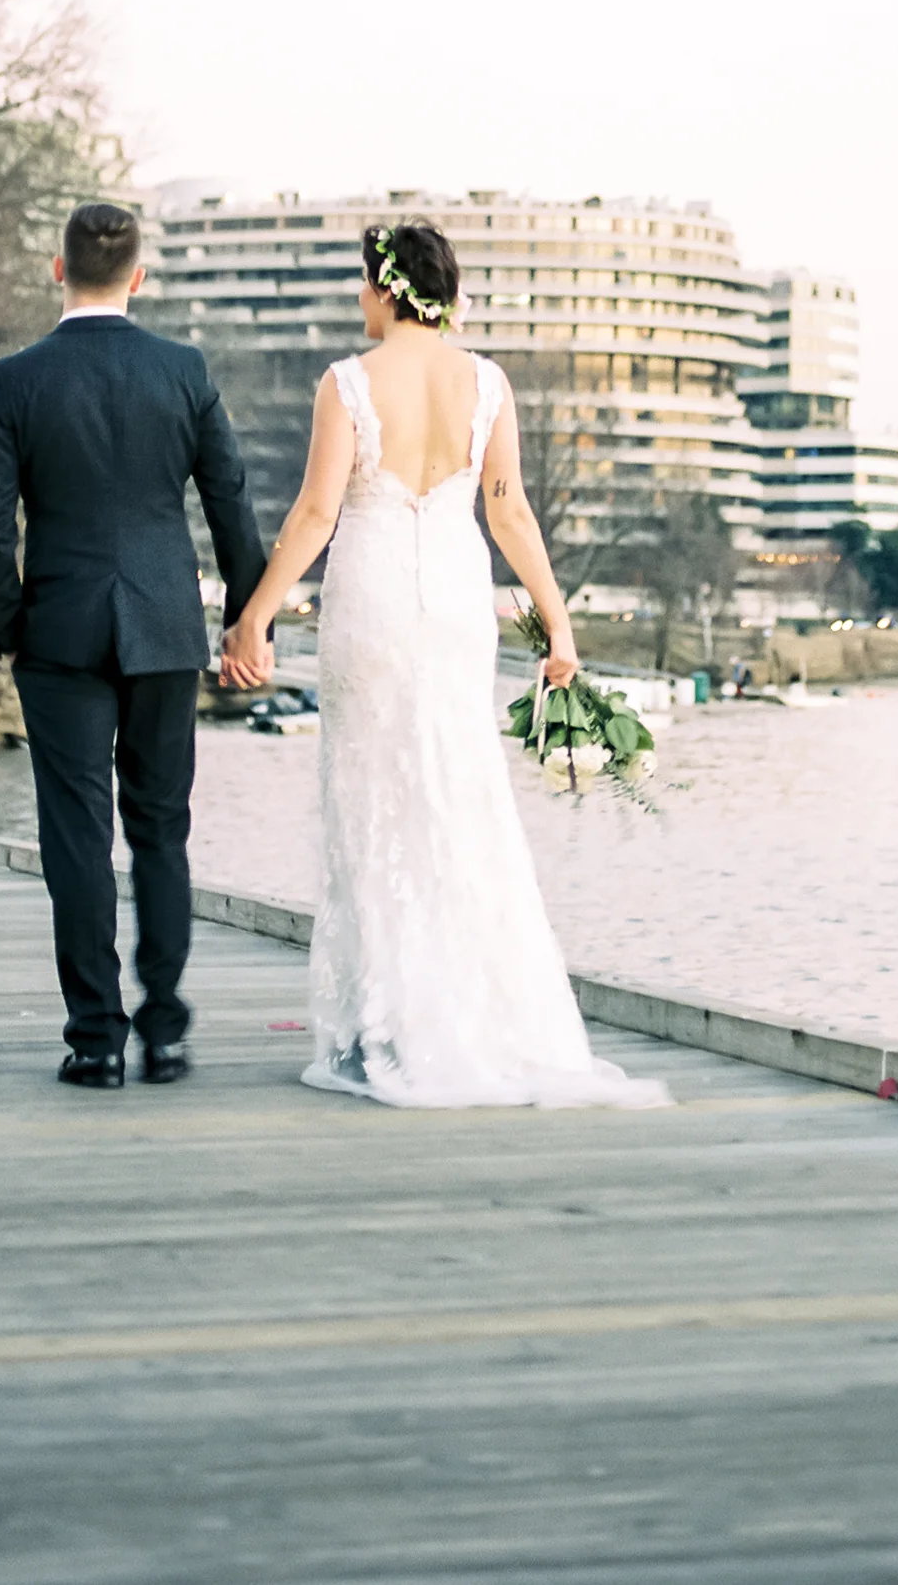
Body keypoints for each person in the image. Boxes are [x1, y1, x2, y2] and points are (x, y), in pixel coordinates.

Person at [223, 220, 668, 1111]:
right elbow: (509, 514)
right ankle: (474, 1017)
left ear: (386, 290)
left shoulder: (348, 382)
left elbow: (314, 515)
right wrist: (558, 626)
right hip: (458, 608)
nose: (359, 299)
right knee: (458, 793)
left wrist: (254, 618)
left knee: (372, 802)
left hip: (374, 601)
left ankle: (384, 1025)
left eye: (363, 283)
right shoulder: (486, 383)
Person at [0, 200, 267, 1089]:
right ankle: (164, 1032)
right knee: (161, 829)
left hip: (58, 631)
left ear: (58, 269)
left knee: (77, 837)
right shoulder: (183, 371)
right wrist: (244, 620)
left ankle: (95, 1040)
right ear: (138, 277)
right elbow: (230, 503)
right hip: (165, 629)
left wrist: (9, 626)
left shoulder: (15, 380)